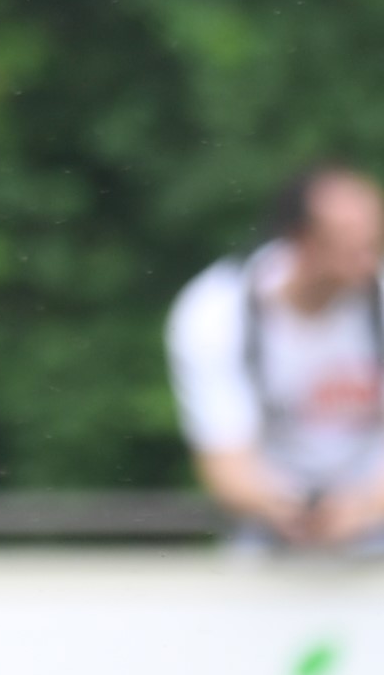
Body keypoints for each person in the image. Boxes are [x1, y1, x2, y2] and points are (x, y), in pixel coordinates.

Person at [164, 165, 384, 551]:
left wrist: (365, 509)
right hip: (269, 542)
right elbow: (226, 465)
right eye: (352, 243)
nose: (369, 260)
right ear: (300, 238)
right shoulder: (217, 312)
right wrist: (293, 512)